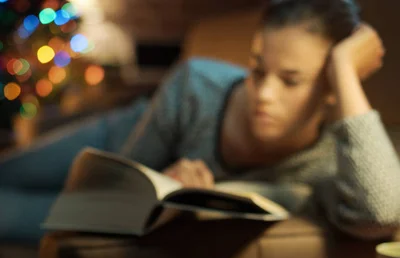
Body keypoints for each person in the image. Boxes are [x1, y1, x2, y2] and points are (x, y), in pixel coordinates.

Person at [1, 0, 399, 241]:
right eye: (257, 70)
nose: (264, 94)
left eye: (291, 80)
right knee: (7, 170)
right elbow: (106, 189)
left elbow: (384, 212)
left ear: (330, 88)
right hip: (123, 138)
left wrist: (345, 68)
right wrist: (162, 184)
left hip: (122, 200)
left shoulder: (333, 155)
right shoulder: (197, 83)